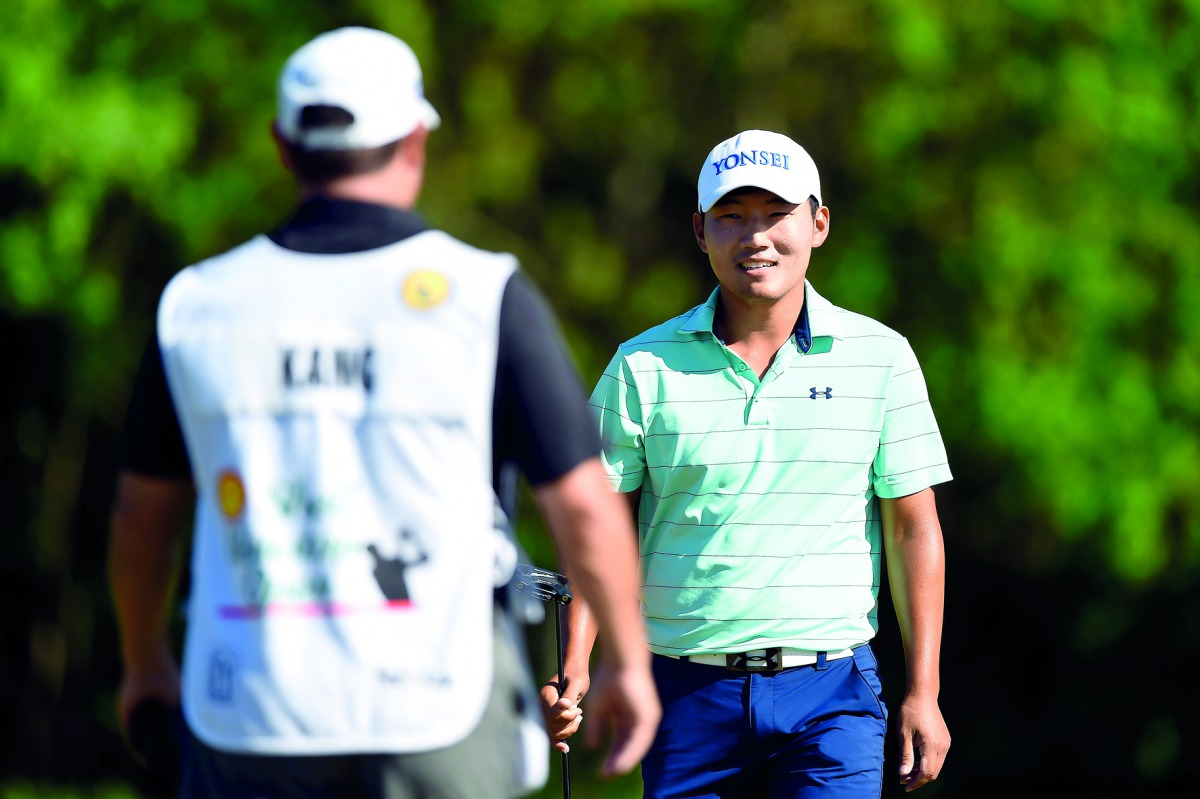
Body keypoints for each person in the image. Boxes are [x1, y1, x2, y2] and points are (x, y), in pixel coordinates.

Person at [108, 26, 659, 799]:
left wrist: (144, 664)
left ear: (282, 146)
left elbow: (142, 521)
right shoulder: (484, 294)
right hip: (439, 709)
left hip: (250, 713)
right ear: (414, 142)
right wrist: (627, 662)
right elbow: (584, 505)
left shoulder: (197, 306)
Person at [542, 129, 952, 797]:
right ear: (700, 231)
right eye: (731, 216)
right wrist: (576, 665)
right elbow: (598, 527)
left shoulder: (882, 357)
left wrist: (923, 691)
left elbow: (913, 528)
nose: (754, 236)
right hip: (684, 691)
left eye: (776, 214)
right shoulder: (641, 366)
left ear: (818, 224)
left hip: (832, 692)